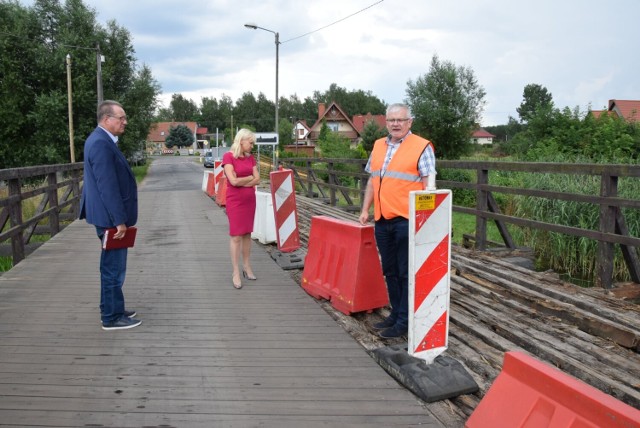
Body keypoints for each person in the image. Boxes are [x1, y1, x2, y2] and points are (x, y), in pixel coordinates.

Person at [359, 103, 436, 339]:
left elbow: (428, 187)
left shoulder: (421, 146)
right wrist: (365, 210)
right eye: (391, 120)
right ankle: (395, 314)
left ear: (409, 122)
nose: (395, 124)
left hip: (407, 220)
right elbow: (373, 181)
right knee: (390, 270)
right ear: (386, 122)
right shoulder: (378, 146)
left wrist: (427, 222)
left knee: (405, 272)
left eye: (400, 120)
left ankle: (404, 320)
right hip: (383, 219)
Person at [79, 100, 141, 331]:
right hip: (109, 219)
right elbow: (107, 186)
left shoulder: (101, 140)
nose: (125, 122)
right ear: (107, 119)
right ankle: (112, 317)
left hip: (106, 216)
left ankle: (112, 306)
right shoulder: (101, 143)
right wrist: (119, 221)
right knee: (113, 268)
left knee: (111, 265)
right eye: (121, 118)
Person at [222, 128, 260, 289]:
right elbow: (233, 182)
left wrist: (244, 180)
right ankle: (235, 271)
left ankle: (246, 266)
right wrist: (249, 178)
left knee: (247, 234)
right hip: (235, 201)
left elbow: (257, 179)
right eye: (250, 143)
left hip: (249, 201)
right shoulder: (228, 157)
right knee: (236, 236)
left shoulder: (250, 158)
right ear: (241, 141)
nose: (252, 146)